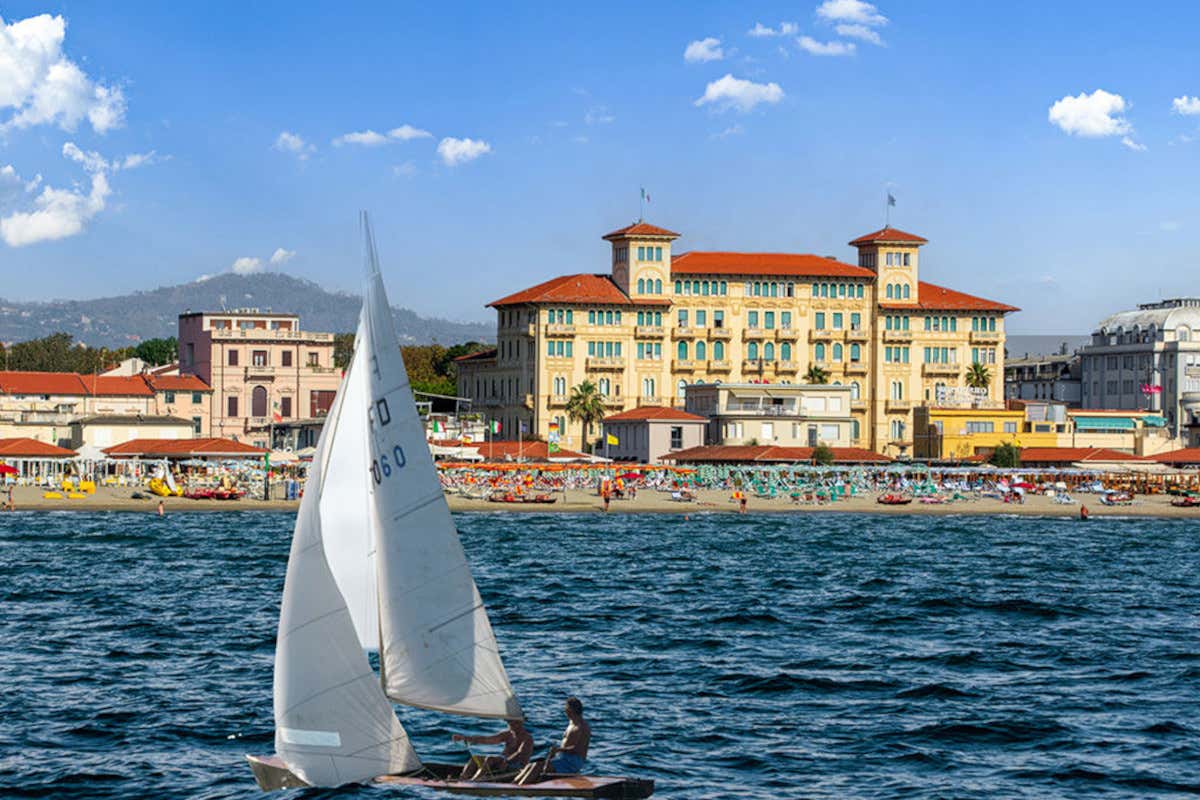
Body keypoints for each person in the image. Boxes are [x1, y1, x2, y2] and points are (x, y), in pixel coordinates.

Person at [516, 697, 590, 785]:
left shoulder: (581, 727)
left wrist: (558, 750)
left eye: (566, 708)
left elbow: (577, 749)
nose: (565, 711)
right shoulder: (572, 722)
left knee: (537, 766)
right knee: (530, 765)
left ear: (571, 710)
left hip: (572, 762)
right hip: (562, 758)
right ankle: (514, 784)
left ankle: (520, 787)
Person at [452, 719, 533, 780]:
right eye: (508, 722)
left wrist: (506, 761)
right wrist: (464, 738)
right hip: (503, 762)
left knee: (490, 759)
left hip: (517, 766)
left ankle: (475, 781)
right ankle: (462, 779)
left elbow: (519, 753)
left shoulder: (527, 738)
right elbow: (487, 740)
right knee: (475, 758)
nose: (510, 724)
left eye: (513, 722)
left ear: (521, 723)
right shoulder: (507, 734)